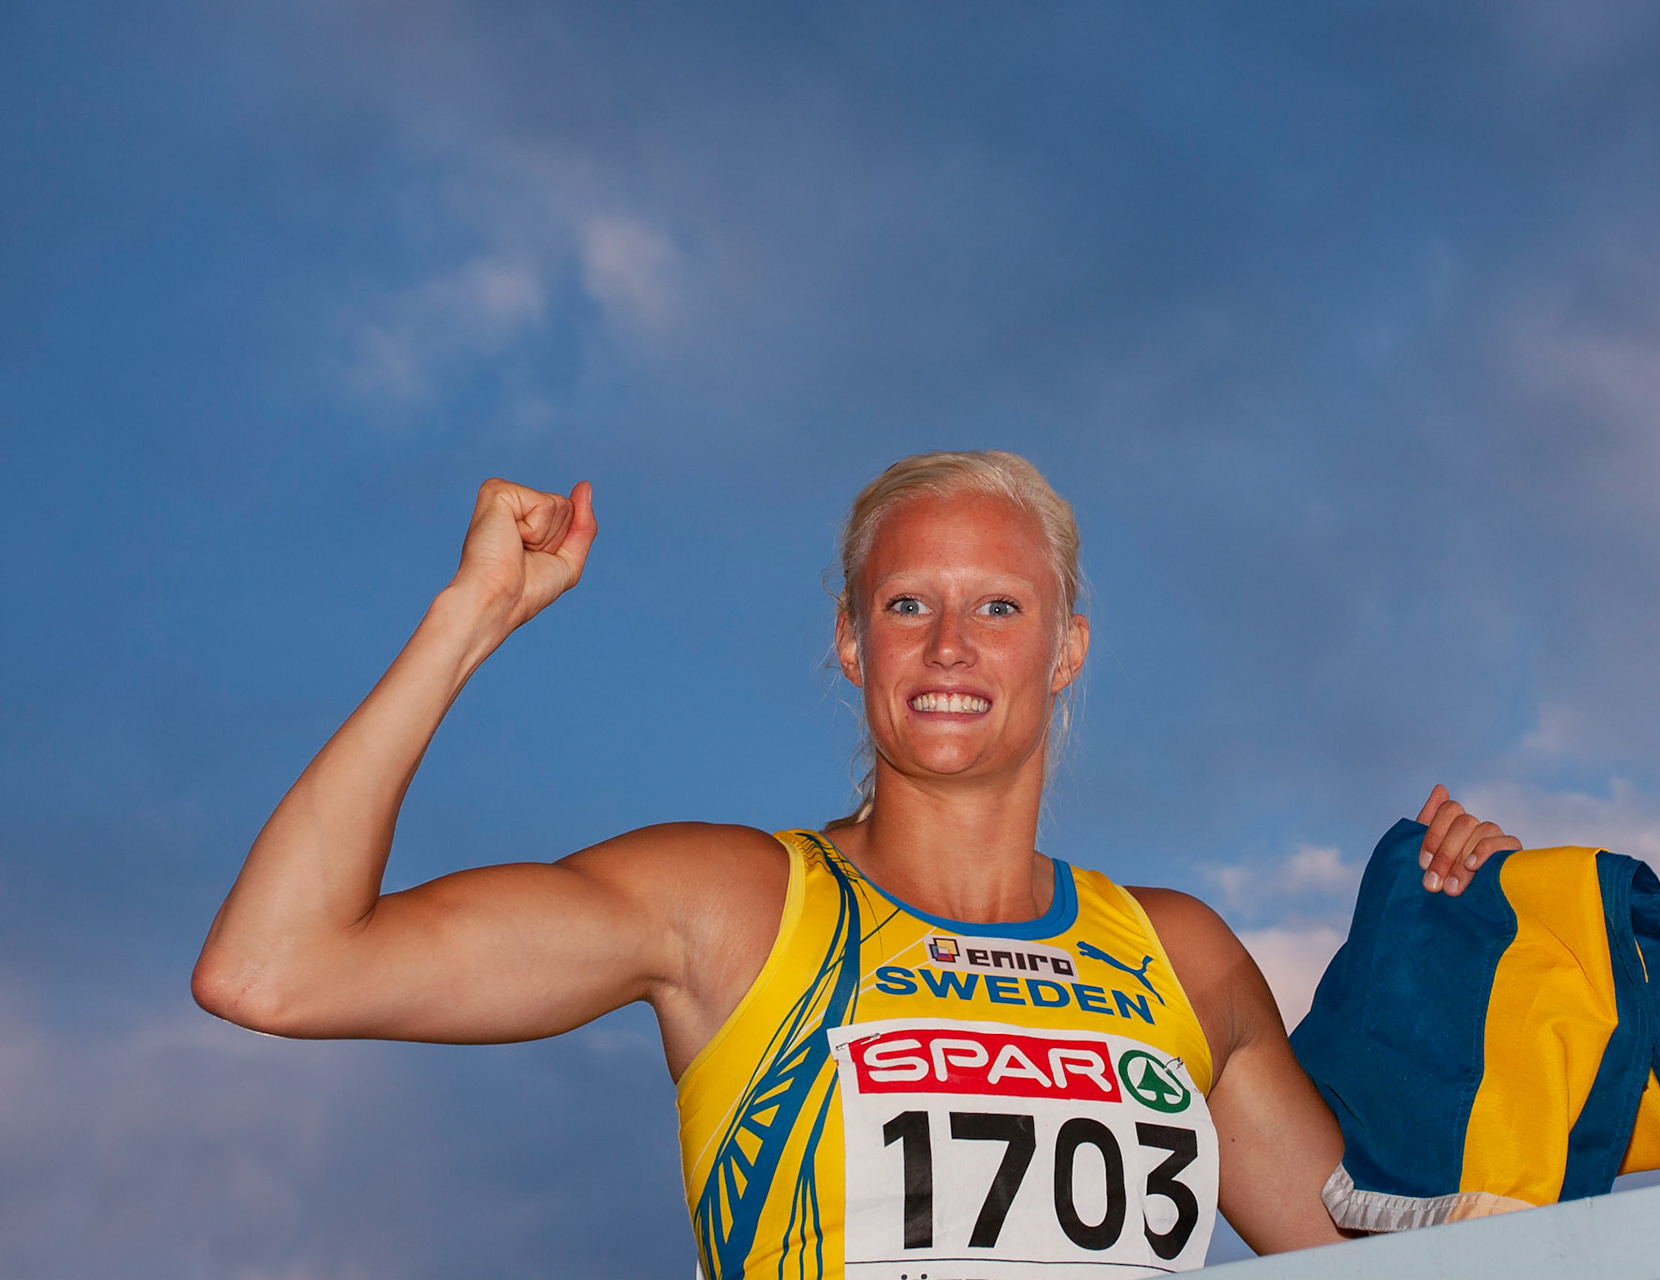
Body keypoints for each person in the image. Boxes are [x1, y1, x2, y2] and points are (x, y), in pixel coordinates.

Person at [193, 451, 1520, 1278]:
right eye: (907, 605)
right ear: (851, 643)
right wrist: (466, 618)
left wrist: (1477, 954)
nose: (951, 646)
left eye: (998, 607)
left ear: (1066, 652)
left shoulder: (1180, 957)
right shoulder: (729, 907)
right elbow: (276, 969)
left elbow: (1369, 1258)